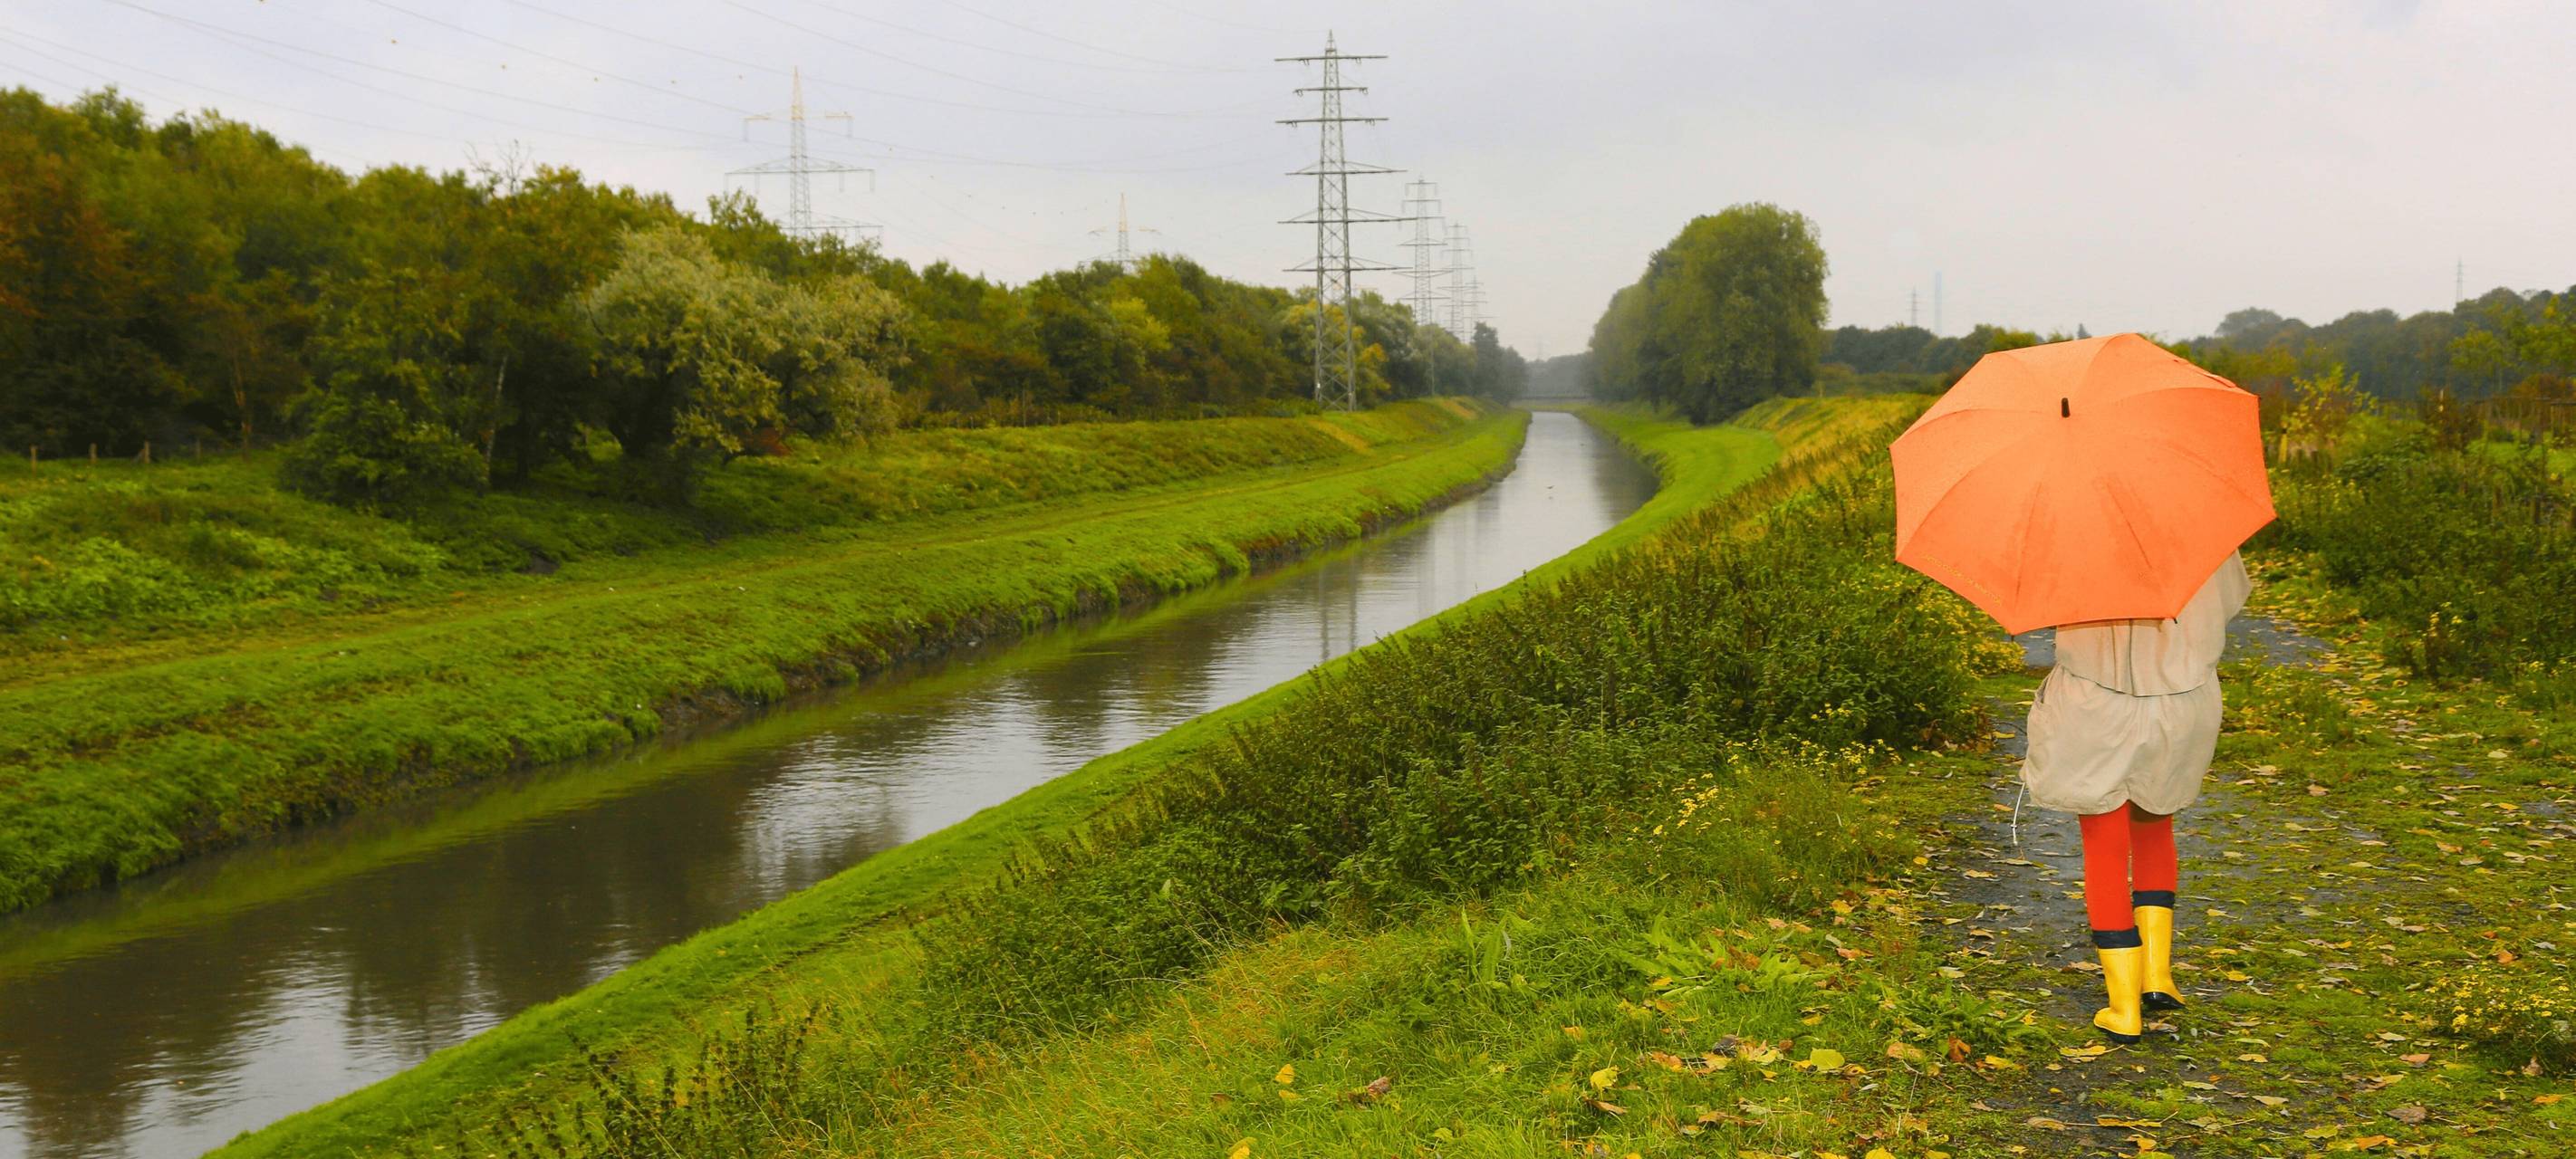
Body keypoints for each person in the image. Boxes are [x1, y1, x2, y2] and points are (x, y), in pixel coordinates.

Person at [2020, 551, 2252, 1042]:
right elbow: (2232, 600)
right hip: (2183, 703)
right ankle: (2158, 977)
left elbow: (2041, 611)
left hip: (2100, 706)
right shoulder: (2203, 535)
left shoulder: (2075, 542)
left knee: (2104, 848)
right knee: (2155, 826)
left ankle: (2124, 1008)